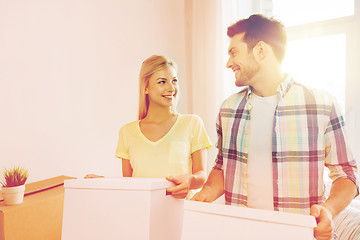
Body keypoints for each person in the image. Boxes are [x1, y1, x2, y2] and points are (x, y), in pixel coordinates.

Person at [192, 14, 359, 240]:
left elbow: (346, 174)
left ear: (260, 51)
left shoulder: (322, 104)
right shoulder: (228, 109)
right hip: (239, 234)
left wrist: (328, 211)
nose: (228, 62)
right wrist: (203, 196)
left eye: (234, 52)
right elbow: (222, 168)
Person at [86, 55, 212, 199]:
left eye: (174, 81)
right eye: (162, 82)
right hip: (143, 215)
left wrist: (189, 180)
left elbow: (201, 175)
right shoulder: (127, 132)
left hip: (183, 214)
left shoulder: (192, 124)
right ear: (146, 88)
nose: (171, 88)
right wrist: (103, 183)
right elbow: (128, 185)